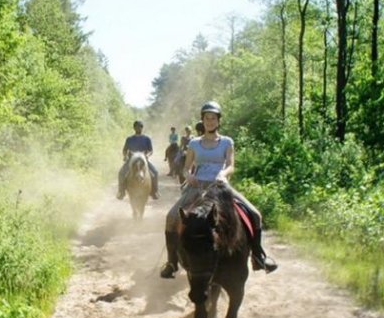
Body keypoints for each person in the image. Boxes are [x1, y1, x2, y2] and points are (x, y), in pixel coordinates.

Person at [159, 101, 277, 278]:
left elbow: (231, 165)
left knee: (255, 214)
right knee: (171, 217)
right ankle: (171, 262)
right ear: (203, 120)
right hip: (197, 186)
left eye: (213, 118)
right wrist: (188, 175)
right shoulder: (194, 144)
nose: (210, 121)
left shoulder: (227, 142)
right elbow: (186, 167)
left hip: (220, 186)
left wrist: (223, 174)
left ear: (218, 121)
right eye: (207, 118)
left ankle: (258, 255)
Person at [117, 120, 160, 200]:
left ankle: (154, 191)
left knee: (155, 172)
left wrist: (147, 155)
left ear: (142, 128)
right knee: (121, 173)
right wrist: (125, 156)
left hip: (143, 161)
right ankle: (121, 192)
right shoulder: (129, 139)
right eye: (137, 126)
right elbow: (124, 150)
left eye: (140, 126)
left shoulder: (147, 139)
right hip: (131, 161)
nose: (138, 128)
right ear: (134, 128)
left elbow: (151, 150)